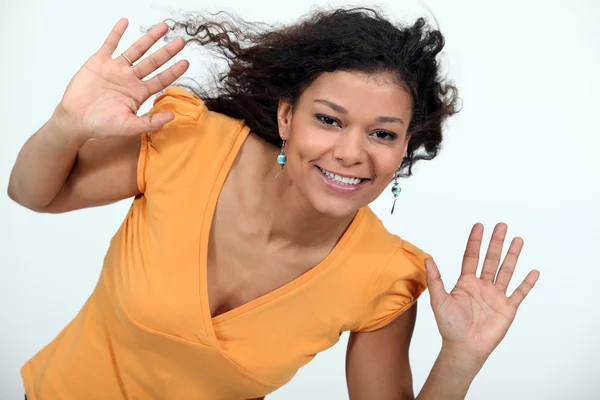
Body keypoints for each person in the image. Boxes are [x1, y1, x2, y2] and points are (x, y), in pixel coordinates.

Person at [7, 7, 540, 400]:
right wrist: (66, 126)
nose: (350, 152)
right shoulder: (191, 143)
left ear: (405, 147)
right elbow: (32, 193)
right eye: (328, 120)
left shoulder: (384, 278)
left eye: (382, 133)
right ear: (287, 117)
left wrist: (460, 360)